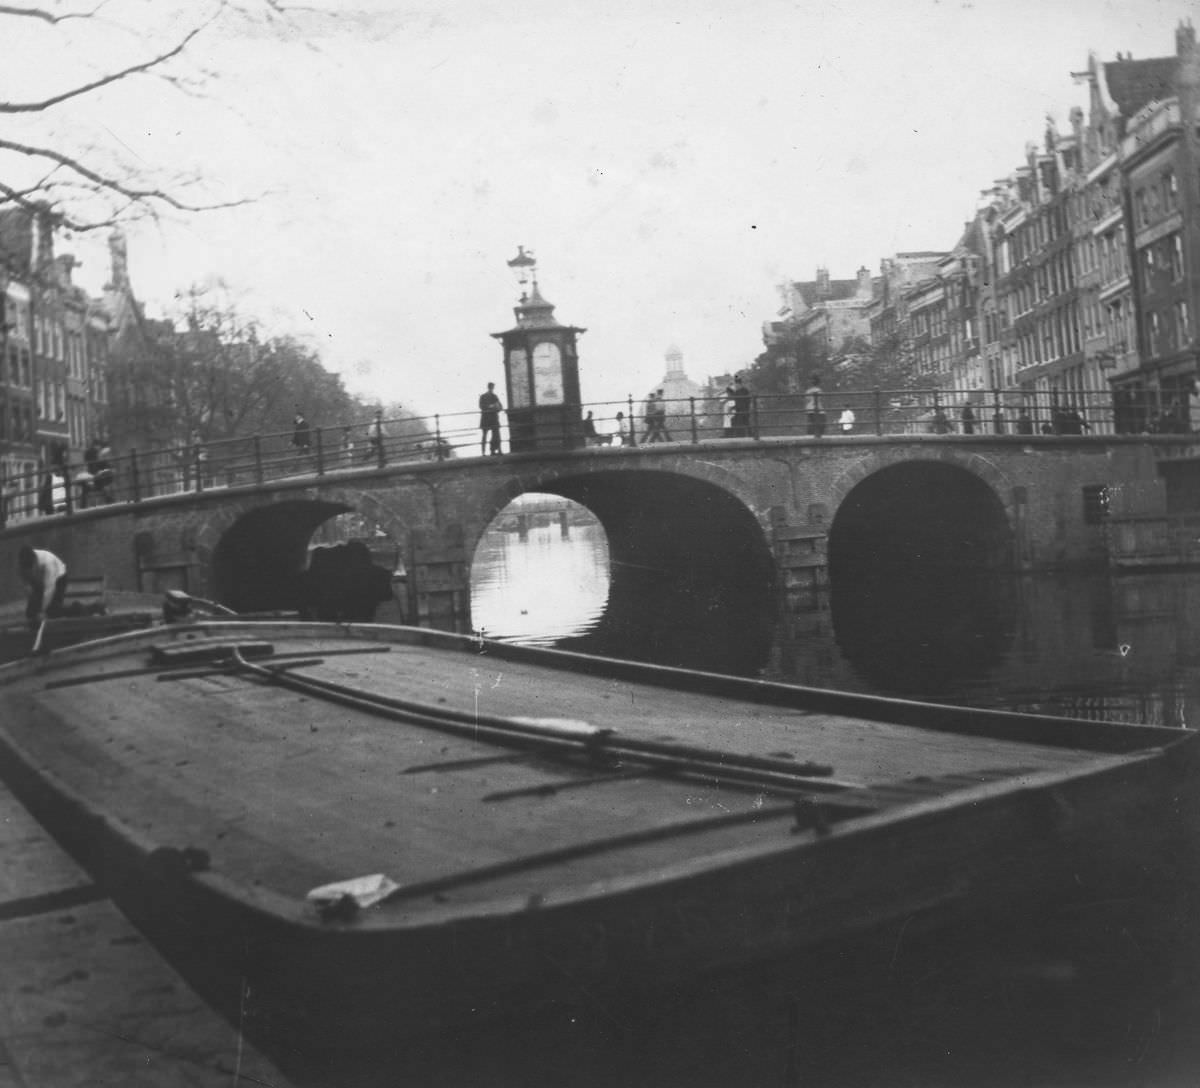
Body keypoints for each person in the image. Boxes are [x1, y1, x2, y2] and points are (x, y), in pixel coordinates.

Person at [17, 545, 68, 626]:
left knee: (53, 610)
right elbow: (24, 577)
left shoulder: (48, 563)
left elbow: (50, 589)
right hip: (41, 578)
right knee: (31, 611)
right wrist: (27, 587)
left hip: (59, 578)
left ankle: (78, 611)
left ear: (34, 561)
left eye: (31, 567)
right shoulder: (25, 558)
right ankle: (32, 626)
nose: (31, 570)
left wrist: (42, 611)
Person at [479, 383, 504, 455]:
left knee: (496, 434)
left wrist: (497, 407)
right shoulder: (483, 396)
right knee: (485, 435)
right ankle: (484, 452)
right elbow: (481, 406)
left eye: (492, 388)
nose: (491, 389)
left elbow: (500, 407)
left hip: (492, 418)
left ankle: (495, 450)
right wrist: (491, 406)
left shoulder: (494, 396)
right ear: (489, 387)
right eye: (491, 387)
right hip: (486, 418)